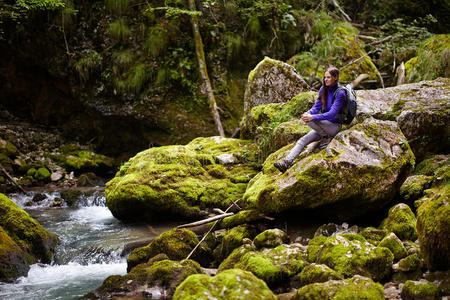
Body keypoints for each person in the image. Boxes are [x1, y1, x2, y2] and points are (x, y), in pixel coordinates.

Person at [274, 66, 345, 173]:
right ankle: (285, 163)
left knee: (311, 120)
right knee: (303, 140)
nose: (326, 80)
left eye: (328, 77)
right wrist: (308, 113)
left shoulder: (340, 93)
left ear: (335, 77)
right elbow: (316, 107)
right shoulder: (323, 89)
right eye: (325, 77)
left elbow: (332, 113)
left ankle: (326, 136)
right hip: (323, 127)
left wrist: (313, 117)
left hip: (334, 127)